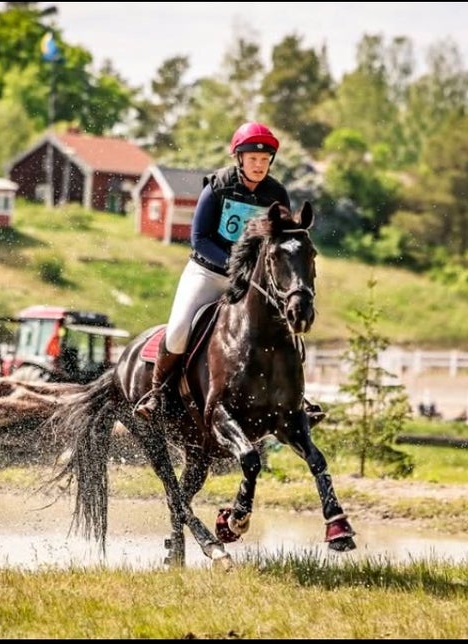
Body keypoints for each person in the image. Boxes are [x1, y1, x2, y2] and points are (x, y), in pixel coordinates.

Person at [134, 121, 326, 427]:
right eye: (253, 159)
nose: (259, 165)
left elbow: (282, 239)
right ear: (239, 159)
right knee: (181, 327)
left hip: (254, 282)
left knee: (287, 331)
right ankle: (157, 394)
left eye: (265, 161)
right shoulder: (218, 187)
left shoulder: (276, 194)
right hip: (208, 273)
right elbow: (199, 238)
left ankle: (296, 398)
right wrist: (233, 266)